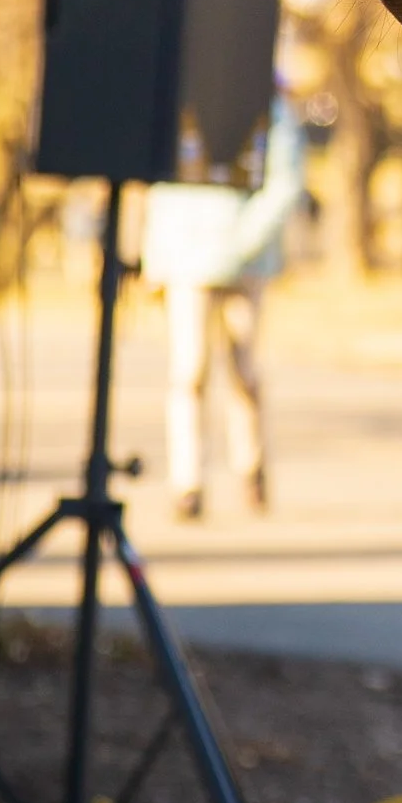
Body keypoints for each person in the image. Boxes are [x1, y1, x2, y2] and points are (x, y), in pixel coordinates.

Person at [142, 91, 310, 520]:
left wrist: (238, 246)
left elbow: (284, 184)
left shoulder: (270, 108)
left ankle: (250, 466)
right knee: (188, 370)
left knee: (243, 370)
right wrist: (154, 259)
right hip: (185, 263)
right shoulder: (181, 103)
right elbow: (161, 186)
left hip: (244, 262)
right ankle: (187, 482)